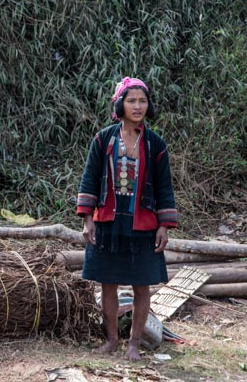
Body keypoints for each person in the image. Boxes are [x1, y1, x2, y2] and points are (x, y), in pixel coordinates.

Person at [76, 76, 178, 360]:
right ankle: (111, 340)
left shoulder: (155, 144)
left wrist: (163, 225)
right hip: (108, 221)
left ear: (148, 106)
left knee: (141, 284)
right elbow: (90, 179)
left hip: (142, 224)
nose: (137, 106)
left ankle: (134, 342)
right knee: (107, 283)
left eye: (142, 101)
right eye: (131, 101)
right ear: (120, 104)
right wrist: (87, 219)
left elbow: (164, 186)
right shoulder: (103, 139)